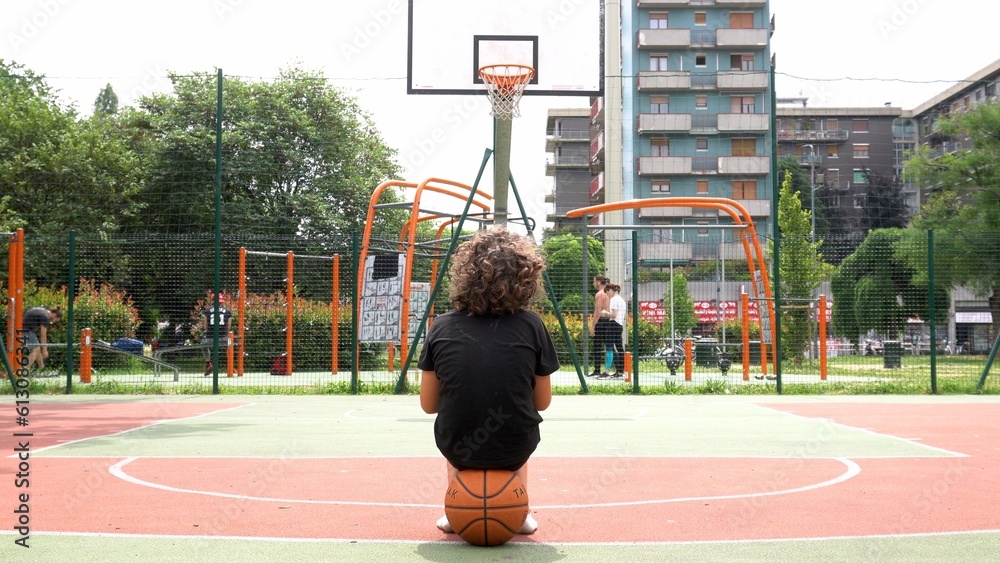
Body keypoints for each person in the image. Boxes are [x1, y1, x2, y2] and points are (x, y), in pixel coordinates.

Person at [418, 226, 559, 536]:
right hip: (515, 446)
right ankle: (520, 508)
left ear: (464, 275)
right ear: (527, 278)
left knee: (454, 420)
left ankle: (453, 505)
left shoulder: (440, 326)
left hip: (457, 446)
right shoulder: (533, 325)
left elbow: (429, 405)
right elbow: (542, 402)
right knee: (519, 419)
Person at [599, 283, 627, 379]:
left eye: (607, 293)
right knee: (620, 348)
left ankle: (606, 371)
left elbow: (613, 315)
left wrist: (605, 313)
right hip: (619, 325)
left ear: (610, 290)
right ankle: (620, 371)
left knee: (609, 348)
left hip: (613, 324)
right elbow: (623, 316)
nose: (607, 295)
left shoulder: (614, 300)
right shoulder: (622, 300)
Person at [22, 306, 62, 371]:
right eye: (55, 320)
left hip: (25, 329)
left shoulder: (43, 311)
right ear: (55, 315)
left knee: (37, 348)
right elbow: (43, 335)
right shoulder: (45, 317)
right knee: (35, 349)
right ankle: (25, 370)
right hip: (25, 330)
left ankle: (41, 368)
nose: (53, 322)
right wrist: (45, 350)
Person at [200, 296, 233, 376]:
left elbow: (205, 326)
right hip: (224, 339)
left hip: (210, 339)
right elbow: (228, 327)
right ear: (221, 302)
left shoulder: (207, 310)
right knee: (231, 345)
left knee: (203, 345)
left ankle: (208, 362)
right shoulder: (228, 311)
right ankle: (231, 366)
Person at [589, 275, 613, 377]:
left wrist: (593, 326)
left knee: (597, 346)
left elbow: (598, 311)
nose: (593, 283)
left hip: (602, 321)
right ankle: (613, 368)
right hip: (609, 320)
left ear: (599, 282)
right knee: (609, 346)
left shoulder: (600, 294)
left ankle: (597, 369)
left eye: (594, 281)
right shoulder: (610, 293)